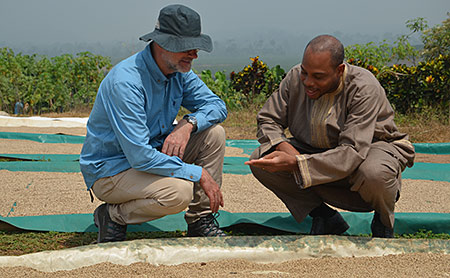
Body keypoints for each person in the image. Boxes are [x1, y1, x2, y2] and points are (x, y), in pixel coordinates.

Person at [80, 4, 228, 243]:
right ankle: (112, 215)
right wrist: (197, 173)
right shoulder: (127, 82)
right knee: (179, 193)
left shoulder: (180, 72)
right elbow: (139, 156)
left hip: (150, 155)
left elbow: (218, 106)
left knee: (215, 133)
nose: (195, 54)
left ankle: (200, 221)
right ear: (162, 44)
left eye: (196, 47)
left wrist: (188, 124)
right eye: (187, 48)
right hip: (112, 169)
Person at [245, 35, 415, 238]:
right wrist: (287, 151)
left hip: (369, 149)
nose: (308, 82)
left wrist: (297, 163)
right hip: (314, 149)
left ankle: (383, 221)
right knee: (262, 159)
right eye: (304, 73)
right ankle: (325, 217)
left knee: (374, 173)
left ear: (339, 70)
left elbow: (352, 151)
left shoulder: (364, 87)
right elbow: (268, 120)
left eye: (318, 77)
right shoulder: (293, 78)